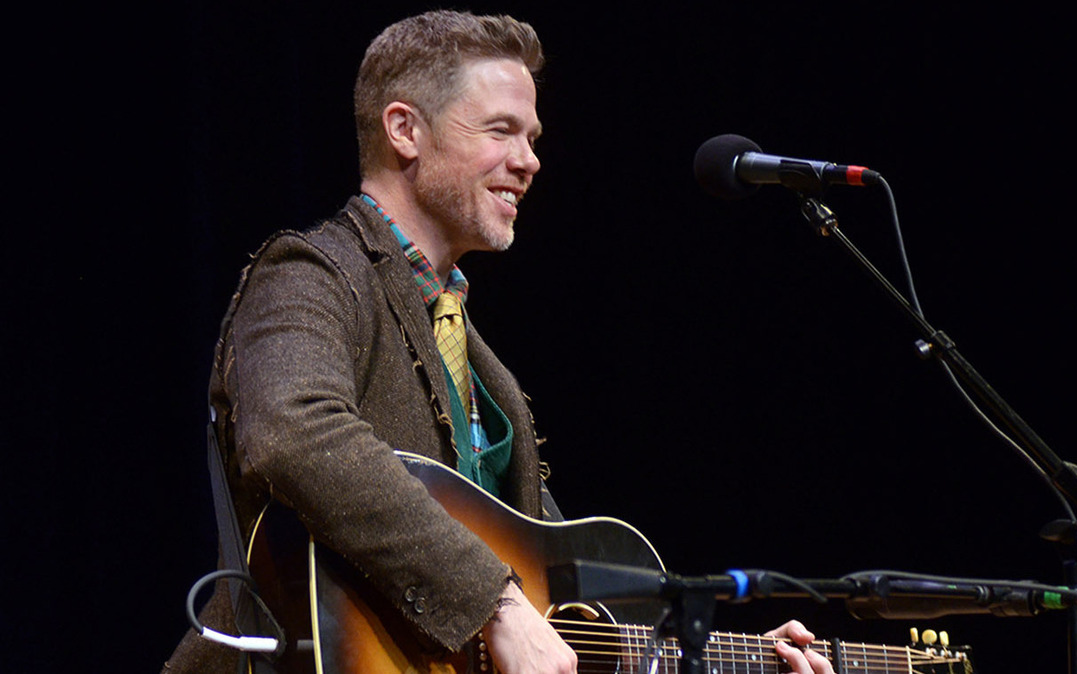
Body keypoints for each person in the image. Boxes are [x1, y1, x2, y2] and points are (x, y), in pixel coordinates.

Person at [165, 10, 832, 674]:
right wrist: (495, 603)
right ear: (405, 130)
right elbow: (293, 431)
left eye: (532, 137)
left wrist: (722, 654)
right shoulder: (310, 272)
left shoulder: (463, 343)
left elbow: (562, 611)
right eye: (501, 130)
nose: (529, 160)